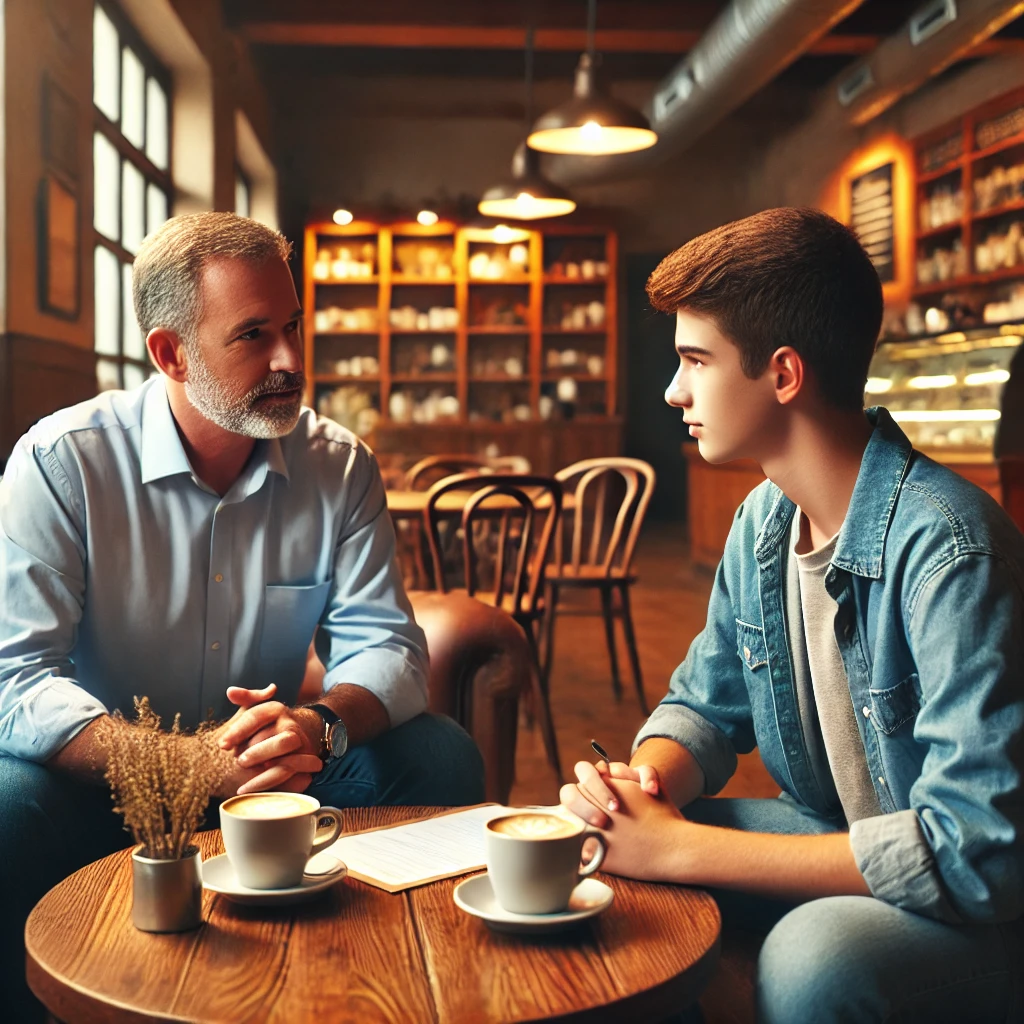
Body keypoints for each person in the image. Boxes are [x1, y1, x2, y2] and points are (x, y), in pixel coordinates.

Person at [0, 212, 484, 1020]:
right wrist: (181, 766)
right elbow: (17, 684)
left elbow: (389, 650)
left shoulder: (340, 466)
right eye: (253, 335)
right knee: (5, 808)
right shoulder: (62, 464)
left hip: (278, 779)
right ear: (170, 353)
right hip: (105, 779)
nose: (291, 360)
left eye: (292, 326)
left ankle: (389, 993)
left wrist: (318, 726)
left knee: (439, 757)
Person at [560, 208, 1024, 1022]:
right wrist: (646, 785)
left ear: (782, 373)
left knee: (813, 959)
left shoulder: (953, 550)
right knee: (611, 858)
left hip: (988, 909)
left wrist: (681, 846)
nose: (673, 391)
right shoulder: (761, 524)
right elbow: (705, 704)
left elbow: (978, 851)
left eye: (695, 360)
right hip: (844, 832)